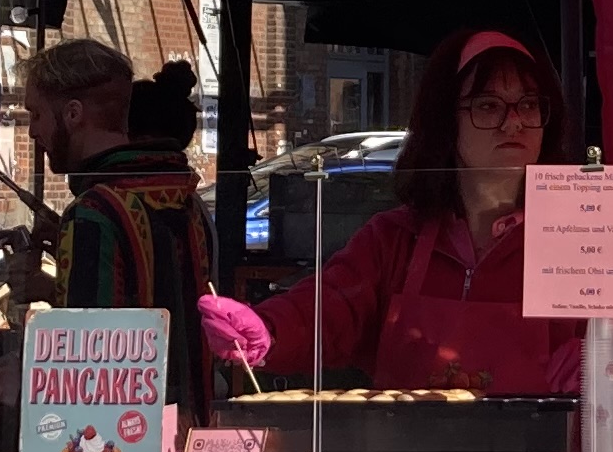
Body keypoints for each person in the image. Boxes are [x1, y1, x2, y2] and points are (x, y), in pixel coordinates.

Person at [248, 31, 578, 396]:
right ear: (445, 121)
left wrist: (610, 362)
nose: (513, 123)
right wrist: (268, 329)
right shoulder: (393, 240)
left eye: (529, 105)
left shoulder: (576, 242)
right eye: (488, 105)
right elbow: (330, 307)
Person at [22, 35, 212, 414]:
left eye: (36, 114)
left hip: (118, 443)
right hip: (189, 420)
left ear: (73, 114)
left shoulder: (94, 211)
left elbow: (87, 361)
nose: (32, 132)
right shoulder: (184, 197)